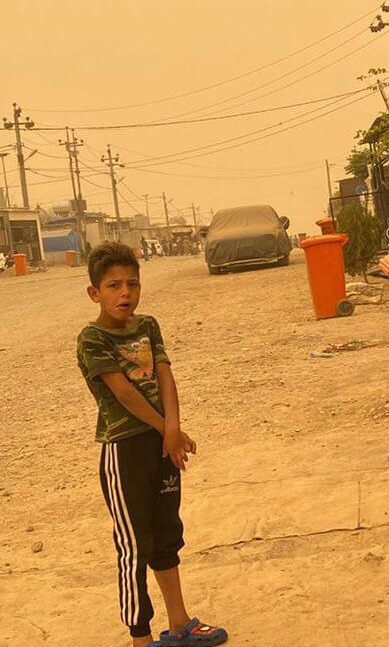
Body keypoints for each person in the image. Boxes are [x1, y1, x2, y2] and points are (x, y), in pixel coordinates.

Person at [76, 242, 227, 647]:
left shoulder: (149, 326)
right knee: (133, 545)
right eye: (113, 286)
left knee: (166, 533)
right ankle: (141, 637)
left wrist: (173, 430)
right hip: (125, 451)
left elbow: (164, 377)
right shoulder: (92, 338)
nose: (124, 293)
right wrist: (168, 430)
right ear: (95, 293)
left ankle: (180, 623)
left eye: (132, 284)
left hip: (161, 445)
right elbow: (125, 394)